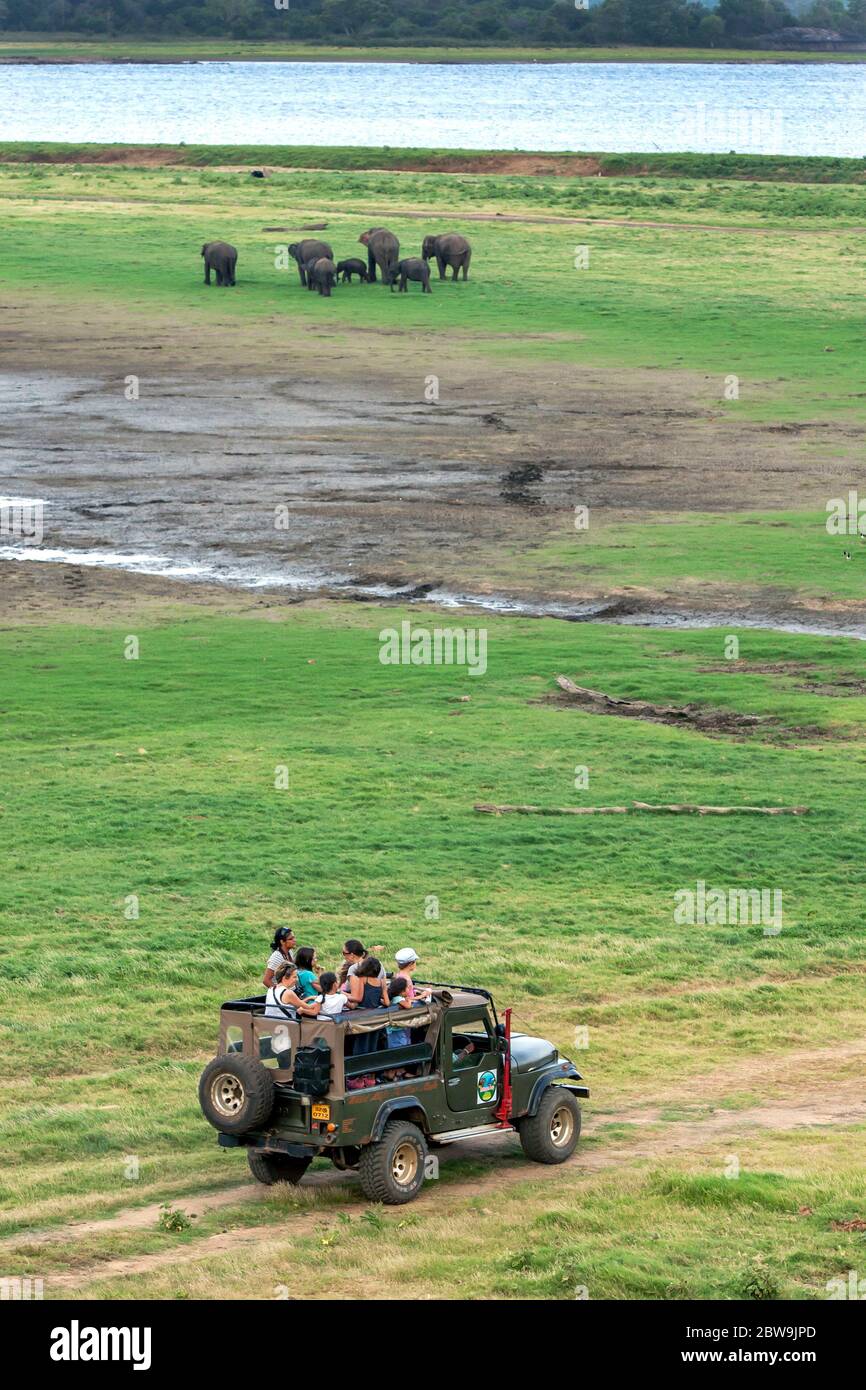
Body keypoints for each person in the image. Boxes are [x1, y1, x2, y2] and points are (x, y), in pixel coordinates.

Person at [348, 956, 390, 1055]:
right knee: (373, 1042)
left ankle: (360, 1064)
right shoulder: (382, 982)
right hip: (376, 1016)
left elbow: (359, 998)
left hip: (363, 1015)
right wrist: (379, 1000)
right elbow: (387, 1003)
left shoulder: (363, 979)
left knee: (361, 1041)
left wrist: (343, 994)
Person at [385, 975, 414, 1048]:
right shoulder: (398, 999)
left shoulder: (396, 998)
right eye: (407, 987)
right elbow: (408, 1006)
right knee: (399, 1046)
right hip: (396, 1030)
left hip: (397, 1029)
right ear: (402, 991)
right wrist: (409, 1001)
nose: (409, 989)